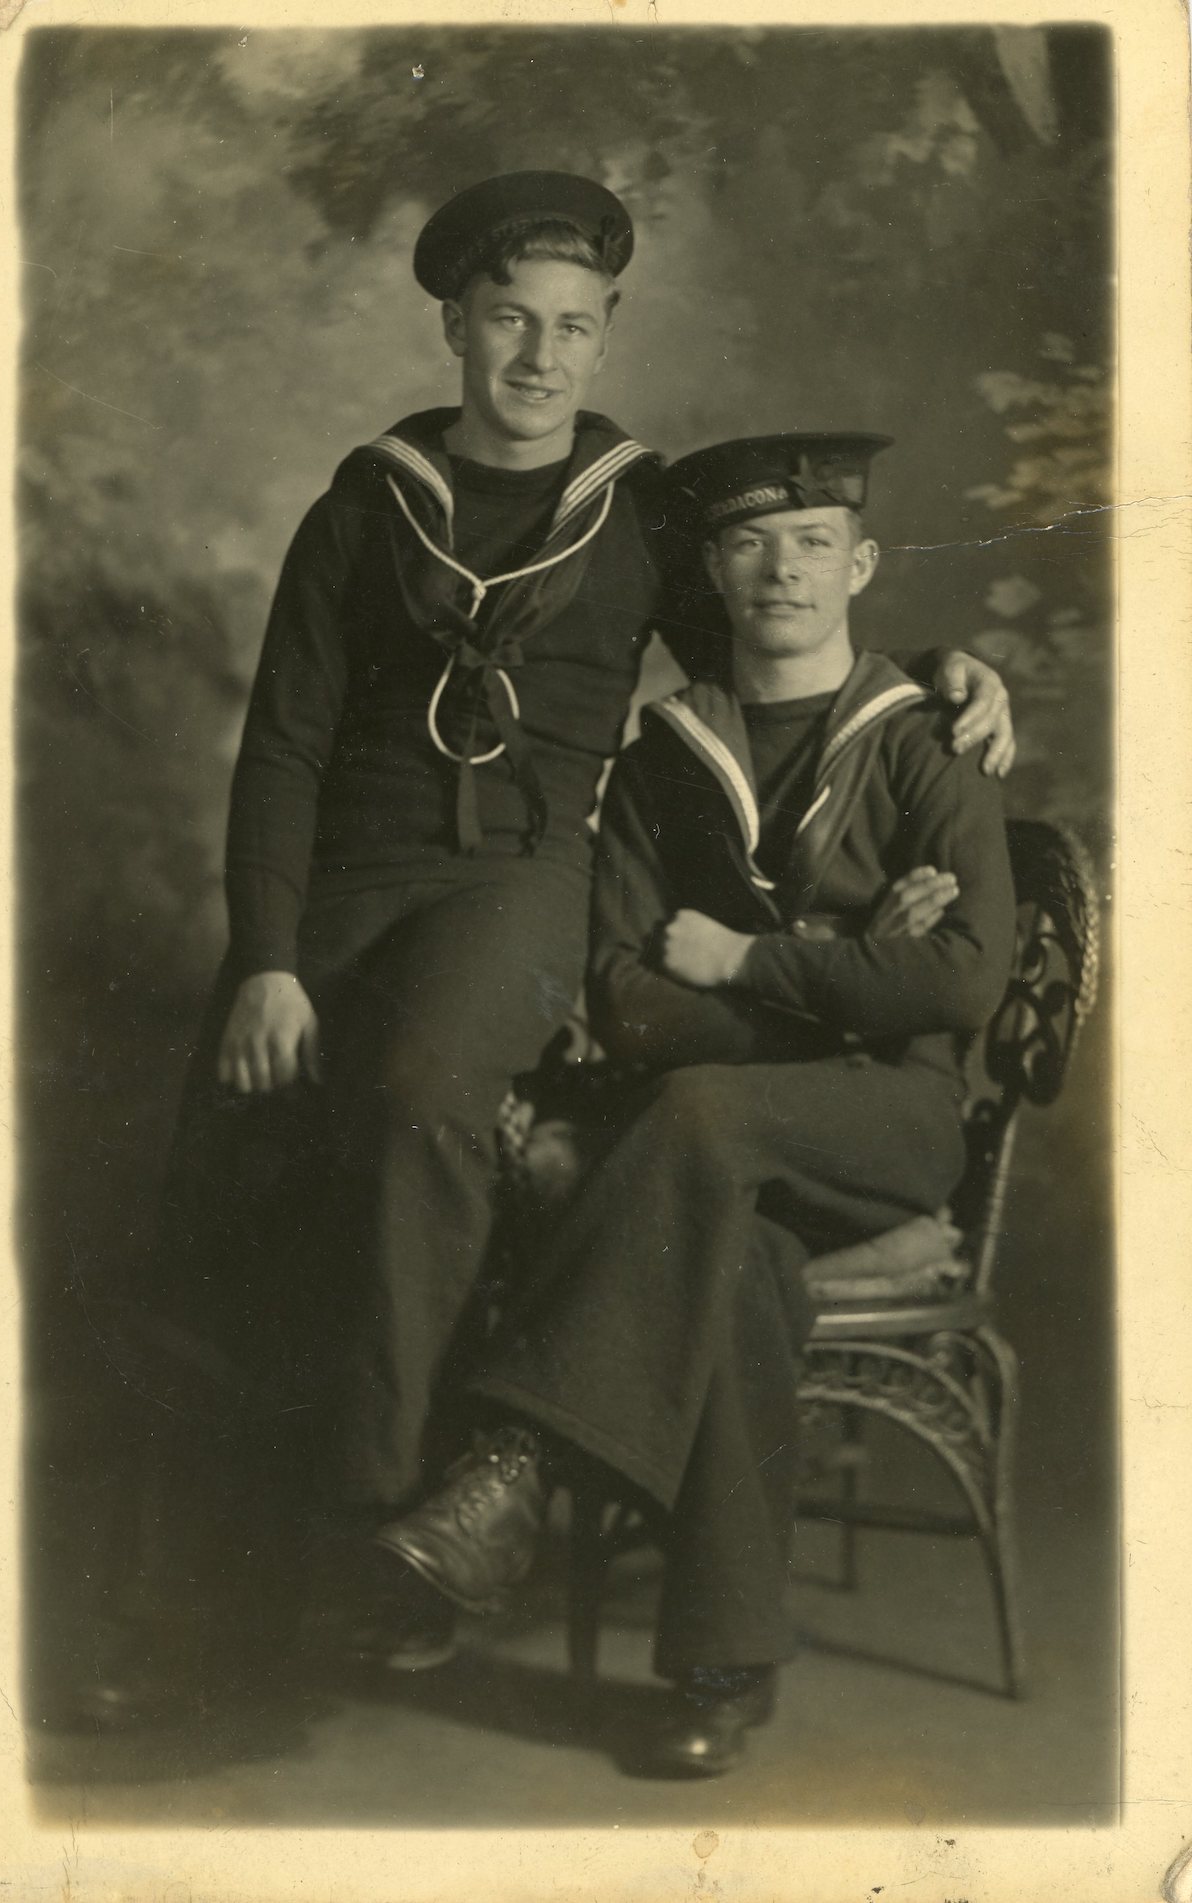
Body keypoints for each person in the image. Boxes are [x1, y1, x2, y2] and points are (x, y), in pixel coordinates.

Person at [80, 175, 1014, 1725]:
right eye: (511, 319)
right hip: (340, 882)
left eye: (574, 328)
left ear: (605, 339)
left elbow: (778, 641)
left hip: (523, 876)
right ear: (456, 324)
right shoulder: (361, 507)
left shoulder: (647, 512)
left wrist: (943, 672)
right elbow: (285, 750)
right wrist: (265, 955)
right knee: (235, 1152)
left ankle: (386, 1539)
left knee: (420, 1105)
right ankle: (189, 1598)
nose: (540, 356)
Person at [370, 432, 1017, 1776]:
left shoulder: (928, 742)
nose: (781, 569)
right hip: (714, 1136)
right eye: (745, 543)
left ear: (864, 564)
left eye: (814, 543)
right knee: (733, 1254)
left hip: (889, 1124)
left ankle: (516, 1463)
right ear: (710, 571)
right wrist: (851, 973)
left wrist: (746, 962)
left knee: (706, 1118)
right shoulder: (670, 756)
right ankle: (722, 1671)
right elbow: (625, 997)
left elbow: (958, 988)